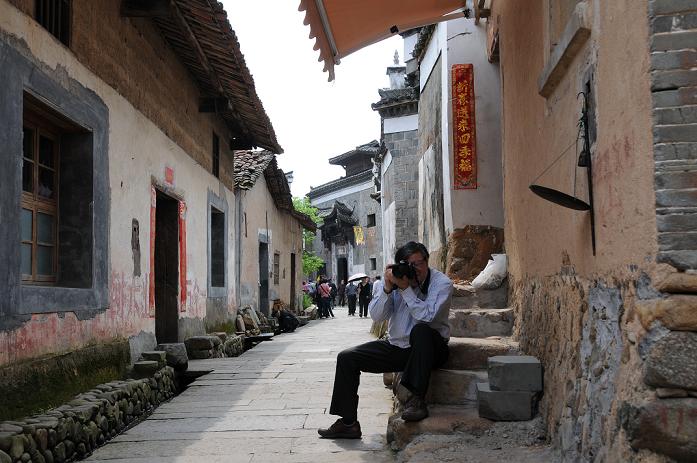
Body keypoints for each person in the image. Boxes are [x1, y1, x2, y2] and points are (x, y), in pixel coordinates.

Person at [317, 242, 452, 439]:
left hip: (431, 349)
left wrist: (406, 290)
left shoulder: (441, 283)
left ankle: (416, 401)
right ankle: (348, 423)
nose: (414, 269)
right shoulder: (392, 282)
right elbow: (377, 316)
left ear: (427, 261)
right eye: (408, 265)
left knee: (421, 330)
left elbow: (427, 316)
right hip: (398, 347)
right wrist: (388, 289)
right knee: (347, 358)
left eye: (419, 263)